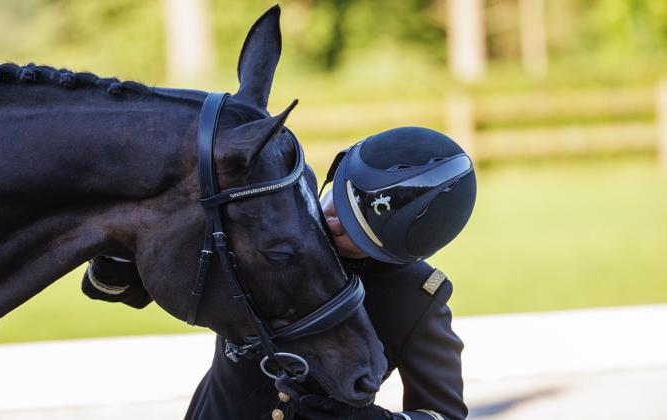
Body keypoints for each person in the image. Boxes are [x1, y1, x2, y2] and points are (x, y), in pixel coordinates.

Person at [83, 126, 477, 420]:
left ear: (392, 254)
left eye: (353, 230)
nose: (329, 219)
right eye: (336, 197)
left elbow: (445, 414)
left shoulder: (416, 299)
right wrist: (118, 250)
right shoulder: (269, 228)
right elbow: (119, 288)